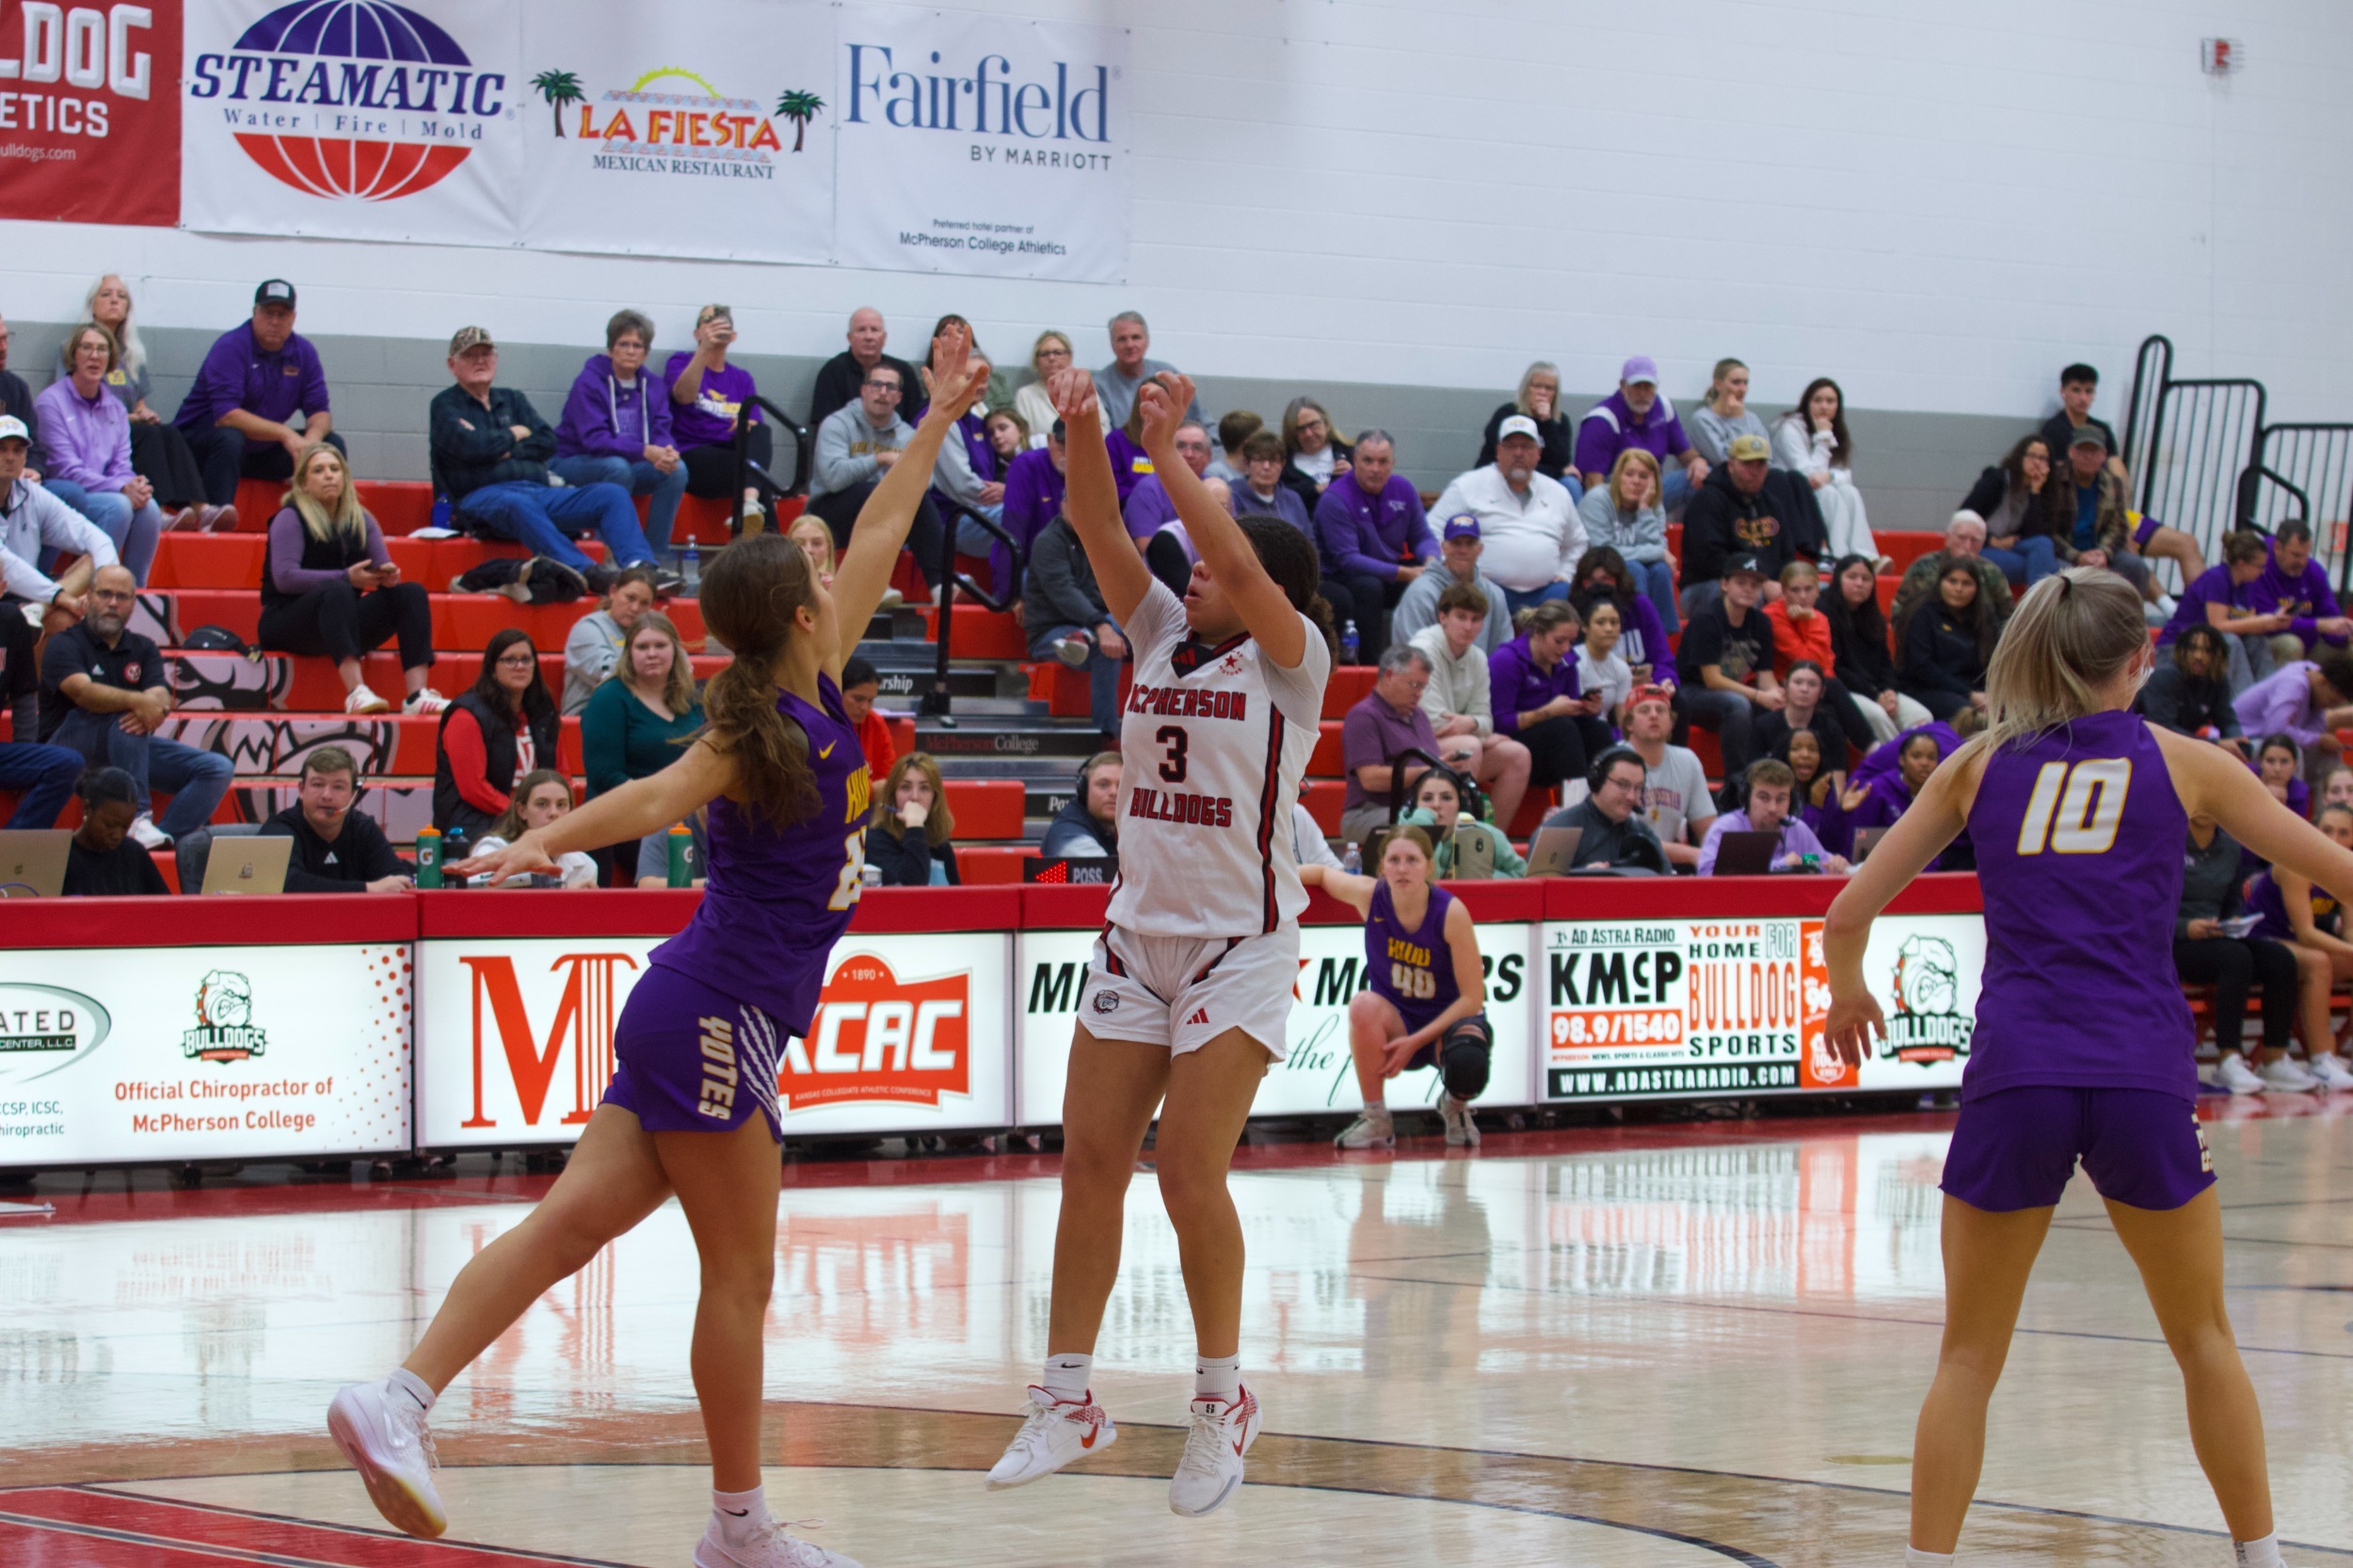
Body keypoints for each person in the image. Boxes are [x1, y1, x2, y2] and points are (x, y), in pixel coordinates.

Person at [334, 325, 988, 1568]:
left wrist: (941, 412)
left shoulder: (812, 676)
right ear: (799, 609)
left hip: (695, 999)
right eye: (815, 562)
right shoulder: (754, 726)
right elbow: (645, 804)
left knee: (570, 1224)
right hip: (719, 1010)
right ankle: (739, 1528)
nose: (834, 565)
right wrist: (530, 845)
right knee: (739, 1273)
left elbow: (889, 524)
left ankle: (399, 1399)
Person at [1821, 567, 2353, 1568]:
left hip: (2017, 1067)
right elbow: (2334, 871)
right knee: (2203, 1339)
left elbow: (1845, 913)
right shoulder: (2189, 764)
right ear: (2142, 659)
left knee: (1967, 1357)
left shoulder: (1976, 764)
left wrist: (1848, 991)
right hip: (2140, 1070)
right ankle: (2263, 1558)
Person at [980, 362, 1330, 1515]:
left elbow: (1229, 555)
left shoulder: (1291, 661)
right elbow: (1089, 518)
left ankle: (1222, 1398)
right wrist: (1087, 427)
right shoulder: (1163, 630)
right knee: (1088, 1160)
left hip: (1242, 938)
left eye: (1225, 565)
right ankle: (1068, 1395)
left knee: (1188, 1169)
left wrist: (1170, 449)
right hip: (1138, 933)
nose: (1195, 573)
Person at [431, 328, 660, 592]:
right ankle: (587, 572)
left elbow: (547, 442)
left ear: (495, 360)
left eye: (486, 354)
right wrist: (515, 433)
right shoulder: (444, 406)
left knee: (612, 494)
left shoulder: (513, 399)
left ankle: (640, 568)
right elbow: (471, 448)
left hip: (537, 492)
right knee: (517, 503)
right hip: (480, 499)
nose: (480, 361)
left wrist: (497, 446)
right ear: (452, 365)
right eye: (470, 356)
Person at [1318, 825, 1491, 1149]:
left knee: (1469, 1058)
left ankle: (1455, 1107)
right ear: (1381, 865)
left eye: (1412, 859)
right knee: (1362, 1005)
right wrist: (1265, 874)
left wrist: (1416, 1041)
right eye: (1394, 859)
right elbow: (1321, 875)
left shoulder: (1451, 911)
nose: (1402, 868)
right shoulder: (1371, 896)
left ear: (1429, 866)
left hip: (1446, 1024)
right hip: (1399, 1021)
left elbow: (1472, 998)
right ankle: (1376, 1119)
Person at [40, 564, 232, 850]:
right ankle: (139, 816)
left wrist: (147, 704)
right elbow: (84, 693)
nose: (113, 603)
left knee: (217, 768)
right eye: (105, 594)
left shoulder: (143, 647)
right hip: (67, 751)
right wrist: (137, 701)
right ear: (88, 597)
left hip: (124, 746)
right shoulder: (65, 643)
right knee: (121, 711)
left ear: (132, 603)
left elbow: (161, 698)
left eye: (122, 596)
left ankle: (162, 842)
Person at [261, 442, 444, 716]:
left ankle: (417, 696)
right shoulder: (290, 517)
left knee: (411, 593)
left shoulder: (362, 518)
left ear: (345, 478)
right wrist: (347, 577)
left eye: (335, 469)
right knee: (338, 589)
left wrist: (387, 575)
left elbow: (381, 564)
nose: (329, 475)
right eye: (319, 470)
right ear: (304, 483)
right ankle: (357, 692)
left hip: (339, 620)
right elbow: (285, 578)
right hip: (289, 622)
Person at [173, 280, 343, 508]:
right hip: (201, 448)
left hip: (258, 451)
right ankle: (214, 516)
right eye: (267, 313)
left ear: (293, 317)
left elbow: (320, 412)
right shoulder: (231, 346)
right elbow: (227, 415)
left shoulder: (304, 352)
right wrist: (285, 434)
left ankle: (328, 522)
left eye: (282, 314)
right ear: (254, 313)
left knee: (331, 444)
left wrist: (311, 442)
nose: (275, 321)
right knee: (230, 436)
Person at [2177, 810, 2303, 1096]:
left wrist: (2233, 920)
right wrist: (2185, 927)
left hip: (2218, 934)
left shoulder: (2230, 848)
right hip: (2176, 939)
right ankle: (2228, 1058)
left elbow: (2234, 901)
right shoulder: (2168, 842)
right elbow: (2150, 904)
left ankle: (2274, 1058)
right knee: (2235, 958)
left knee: (2280, 959)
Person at [80, 275, 218, 527]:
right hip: (97, 428)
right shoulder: (76, 347)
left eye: (121, 296)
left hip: (128, 426)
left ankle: (203, 509)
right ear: (92, 305)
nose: (114, 300)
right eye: (106, 294)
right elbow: (76, 398)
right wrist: (129, 418)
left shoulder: (132, 353)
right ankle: (159, 511)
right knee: (149, 435)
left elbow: (139, 403)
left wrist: (144, 413)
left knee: (167, 431)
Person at [552, 310, 688, 556]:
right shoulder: (589, 382)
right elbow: (594, 441)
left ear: (646, 353)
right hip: (574, 461)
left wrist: (666, 452)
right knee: (616, 467)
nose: (630, 350)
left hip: (630, 463)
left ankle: (654, 557)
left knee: (677, 470)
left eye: (637, 345)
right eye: (623, 344)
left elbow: (661, 427)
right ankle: (609, 556)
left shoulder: (654, 386)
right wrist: (645, 451)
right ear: (610, 349)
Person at [35, 323, 162, 583]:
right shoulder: (51, 402)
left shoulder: (115, 407)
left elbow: (121, 465)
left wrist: (132, 483)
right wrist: (120, 488)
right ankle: (95, 587)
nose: (95, 356)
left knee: (149, 508)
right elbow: (65, 470)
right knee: (119, 507)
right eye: (87, 348)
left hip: (107, 491)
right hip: (68, 494)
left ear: (111, 358)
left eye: (102, 349)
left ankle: (135, 591)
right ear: (73, 355)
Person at [2243, 803, 2353, 1093]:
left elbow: (2350, 928)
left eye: (2344, 832)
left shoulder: (2346, 867)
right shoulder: (2297, 864)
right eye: (2326, 830)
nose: (2334, 839)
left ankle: (2335, 1050)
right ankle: (2320, 1059)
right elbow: (2306, 934)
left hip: (2294, 944)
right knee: (2318, 962)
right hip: (2260, 940)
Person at [807, 360, 945, 588]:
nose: (883, 393)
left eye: (890, 387)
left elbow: (926, 482)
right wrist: (880, 459)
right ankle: (873, 583)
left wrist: (901, 470)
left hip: (883, 515)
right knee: (871, 491)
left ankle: (940, 585)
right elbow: (833, 478)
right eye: (876, 385)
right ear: (863, 390)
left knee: (918, 499)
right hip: (828, 513)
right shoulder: (837, 424)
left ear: (898, 397)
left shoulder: (907, 435)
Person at [1429, 416, 1585, 614]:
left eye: (1526, 446)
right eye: (1511, 446)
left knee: (1569, 596)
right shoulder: (1468, 486)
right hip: (1484, 590)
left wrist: (1566, 572)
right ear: (1498, 451)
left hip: (1547, 593)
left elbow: (1578, 542)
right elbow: (1431, 531)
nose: (1518, 453)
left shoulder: (1558, 492)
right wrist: (1456, 570)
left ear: (1538, 453)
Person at [1408, 582, 1531, 829]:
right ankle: (1460, 838)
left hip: (1457, 744)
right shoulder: (1423, 649)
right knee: (1471, 745)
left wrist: (1473, 723)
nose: (1468, 626)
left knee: (1518, 754)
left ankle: (1491, 841)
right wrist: (1481, 733)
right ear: (1443, 617)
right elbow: (1433, 721)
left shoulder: (1477, 657)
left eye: (1476, 619)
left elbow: (1485, 719)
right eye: (1461, 617)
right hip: (1414, 743)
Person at [1313, 428, 1434, 666]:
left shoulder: (1404, 489)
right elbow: (1348, 559)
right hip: (1340, 576)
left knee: (1432, 582)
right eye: (1368, 460)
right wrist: (1405, 573)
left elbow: (1422, 536)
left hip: (1389, 572)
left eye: (1383, 461)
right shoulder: (1335, 499)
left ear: (1393, 463)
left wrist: (1431, 560)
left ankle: (1425, 662)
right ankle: (1373, 665)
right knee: (1369, 588)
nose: (1375, 469)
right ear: (1355, 460)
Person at [1677, 433, 1823, 619]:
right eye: (1747, 464)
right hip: (1707, 587)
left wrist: (1787, 586)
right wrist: (1759, 583)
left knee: (1821, 594)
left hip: (1765, 583)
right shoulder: (1707, 501)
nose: (1755, 471)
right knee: (1747, 595)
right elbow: (1709, 559)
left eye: (1760, 465)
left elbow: (1786, 555)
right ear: (1731, 465)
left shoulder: (1772, 504)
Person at [433, 629, 562, 838]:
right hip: (476, 823)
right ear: (492, 668)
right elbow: (474, 789)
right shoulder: (466, 715)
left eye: (526, 659)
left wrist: (552, 811)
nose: (520, 666)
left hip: (534, 821)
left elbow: (559, 774)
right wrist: (523, 815)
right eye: (510, 660)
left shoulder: (543, 712)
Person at [2059, 425, 2203, 603]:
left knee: (2178, 546)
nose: (2089, 456)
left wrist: (2104, 552)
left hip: (2108, 530)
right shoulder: (2056, 472)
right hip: (2069, 548)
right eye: (2083, 451)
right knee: (2127, 543)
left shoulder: (2113, 483)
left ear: (2104, 455)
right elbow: (2047, 529)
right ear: (2071, 452)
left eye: (2094, 451)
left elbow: (2120, 513)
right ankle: (2169, 607)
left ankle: (2190, 615)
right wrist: (2078, 556)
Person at [0, 414, 118, 629]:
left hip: (27, 598)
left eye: (18, 450)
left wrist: (103, 590)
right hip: (9, 596)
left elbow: (97, 539)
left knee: (94, 563)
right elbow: (5, 565)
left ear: (26, 457)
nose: (10, 457)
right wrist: (60, 597)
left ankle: (39, 608)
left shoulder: (31, 493)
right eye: (2, 449)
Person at [664, 304, 776, 529]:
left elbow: (756, 429)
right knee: (756, 473)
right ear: (697, 333)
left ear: (733, 336)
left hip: (731, 454)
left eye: (722, 321)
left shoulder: (742, 377)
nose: (716, 325)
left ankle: (750, 504)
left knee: (762, 433)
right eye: (708, 320)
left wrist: (747, 423)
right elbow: (684, 397)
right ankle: (774, 549)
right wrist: (704, 349)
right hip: (693, 454)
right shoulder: (679, 362)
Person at [1675, 552, 1782, 777]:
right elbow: (1712, 680)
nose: (1748, 589)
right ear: (1724, 584)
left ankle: (1772, 776)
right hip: (1691, 693)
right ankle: (1738, 781)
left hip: (1731, 693)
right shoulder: (1707, 619)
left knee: (1785, 707)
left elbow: (1765, 676)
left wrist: (1777, 695)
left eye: (1755, 585)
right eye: (1741, 582)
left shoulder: (1761, 622)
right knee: (1739, 705)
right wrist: (1758, 696)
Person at [1024, 509, 1128, 739]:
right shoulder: (1048, 542)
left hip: (1089, 623)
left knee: (1134, 629)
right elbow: (1063, 591)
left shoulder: (1097, 541)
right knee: (1107, 647)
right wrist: (1101, 625)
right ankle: (1105, 735)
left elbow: (1105, 592)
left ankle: (1085, 636)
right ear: (1063, 505)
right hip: (1049, 632)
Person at [584, 613, 703, 805]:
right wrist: (656, 801)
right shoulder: (608, 697)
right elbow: (604, 775)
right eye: (642, 647)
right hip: (623, 814)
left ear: (675, 650)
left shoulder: (692, 697)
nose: (652, 654)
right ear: (629, 653)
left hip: (681, 811)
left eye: (660, 645)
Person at [1490, 600, 1607, 796]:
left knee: (1597, 729)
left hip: (1557, 747)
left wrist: (1585, 709)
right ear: (1537, 633)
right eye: (1559, 641)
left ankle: (1609, 800)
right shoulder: (1506, 661)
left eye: (1571, 642)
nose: (1566, 649)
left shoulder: (1566, 662)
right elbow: (1498, 723)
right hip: (1513, 749)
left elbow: (1569, 714)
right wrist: (1549, 712)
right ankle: (1577, 808)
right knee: (1561, 728)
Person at [260, 745, 410, 893]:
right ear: (301, 790)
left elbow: (398, 878)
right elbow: (286, 883)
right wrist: (367, 889)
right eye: (318, 784)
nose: (326, 795)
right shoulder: (279, 829)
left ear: (353, 795)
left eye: (338, 787)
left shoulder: (364, 828)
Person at [1823, 552, 1934, 743]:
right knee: (1878, 716)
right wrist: (1876, 695)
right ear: (1838, 579)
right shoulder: (1824, 612)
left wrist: (1890, 690)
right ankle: (1895, 766)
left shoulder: (1874, 617)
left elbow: (1886, 663)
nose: (1859, 583)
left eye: (1866, 579)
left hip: (1879, 690)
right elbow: (1836, 668)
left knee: (1922, 716)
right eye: (1852, 577)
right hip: (1843, 690)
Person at [0, 569, 81, 828]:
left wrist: (25, 749)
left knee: (68, 764)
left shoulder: (12, 621)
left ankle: (13, 850)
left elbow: (24, 694)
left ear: (2, 588)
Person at [1340, 645, 1446, 843]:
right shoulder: (1363, 716)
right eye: (1414, 685)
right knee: (1423, 824)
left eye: (1423, 687)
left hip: (1416, 808)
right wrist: (1429, 770)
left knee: (1468, 825)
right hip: (1367, 813)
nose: (1419, 693)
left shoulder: (1420, 716)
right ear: (1389, 675)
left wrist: (1445, 769)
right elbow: (1370, 779)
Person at [1770, 377, 1880, 567]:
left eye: (1830, 401)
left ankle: (1866, 556)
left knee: (1849, 492)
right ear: (1807, 403)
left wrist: (1830, 476)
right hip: (1791, 497)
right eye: (1818, 400)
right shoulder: (1789, 428)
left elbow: (1845, 475)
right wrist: (1823, 439)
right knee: (1828, 493)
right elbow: (1807, 476)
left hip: (1817, 489)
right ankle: (1838, 557)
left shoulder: (1835, 429)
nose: (1824, 406)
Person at [2160, 530, 2284, 693]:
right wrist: (2261, 621)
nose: (2263, 572)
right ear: (2241, 564)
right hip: (2178, 645)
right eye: (2259, 566)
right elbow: (2217, 626)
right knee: (2230, 642)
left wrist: (2273, 622)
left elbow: (2248, 624)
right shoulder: (2217, 579)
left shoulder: (2249, 584)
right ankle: (2242, 703)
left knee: (2255, 640)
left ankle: (2269, 695)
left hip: (2209, 643)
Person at [1575, 356, 1704, 510]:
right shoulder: (1602, 419)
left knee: (1703, 475)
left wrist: (1697, 461)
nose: (1643, 393)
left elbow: (1684, 452)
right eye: (1637, 386)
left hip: (1652, 488)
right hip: (1616, 494)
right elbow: (1593, 483)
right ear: (1623, 386)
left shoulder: (1664, 407)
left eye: (1648, 387)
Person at [1827, 724, 1962, 866]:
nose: (1924, 763)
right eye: (1916, 756)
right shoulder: (1878, 790)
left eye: (1931, 757)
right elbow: (1854, 844)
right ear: (1902, 760)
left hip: (1923, 874)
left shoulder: (1939, 796)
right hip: (1873, 869)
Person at [1576, 448, 1675, 632]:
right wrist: (1659, 552)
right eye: (1629, 474)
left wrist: (1644, 508)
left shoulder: (1653, 504)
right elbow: (1603, 552)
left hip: (1633, 566)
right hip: (1595, 570)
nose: (1636, 481)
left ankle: (1663, 636)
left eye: (1643, 476)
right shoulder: (1597, 499)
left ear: (1653, 481)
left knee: (1661, 571)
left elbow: (1657, 545)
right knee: (1634, 568)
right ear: (1617, 476)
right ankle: (1634, 631)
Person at [1621, 683, 1717, 868]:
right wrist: (1692, 854)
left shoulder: (1687, 760)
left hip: (1667, 866)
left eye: (1660, 710)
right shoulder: (1616, 762)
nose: (1654, 715)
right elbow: (1624, 839)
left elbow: (1708, 830)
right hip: (1624, 865)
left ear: (1672, 723)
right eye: (1644, 710)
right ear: (1629, 724)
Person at [1888, 512, 2018, 646]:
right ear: (1948, 538)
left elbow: (2007, 617)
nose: (1968, 546)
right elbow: (1900, 611)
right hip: (1927, 644)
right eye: (1962, 538)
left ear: (1982, 543)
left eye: (1975, 540)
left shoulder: (1992, 572)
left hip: (1979, 648)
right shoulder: (1923, 567)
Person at [1390, 515, 1512, 658]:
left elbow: (1504, 652)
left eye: (1470, 543)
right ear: (1443, 548)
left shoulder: (1494, 594)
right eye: (1456, 543)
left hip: (1480, 676)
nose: (1463, 550)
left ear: (1480, 549)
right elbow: (1411, 655)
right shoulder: (1421, 592)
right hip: (1430, 676)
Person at [1698, 759, 1845, 873]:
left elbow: (1823, 863)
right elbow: (1706, 875)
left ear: (1791, 801)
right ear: (1746, 798)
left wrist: (1836, 865)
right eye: (1764, 798)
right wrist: (1779, 867)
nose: (1773, 808)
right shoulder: (1725, 828)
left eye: (1781, 799)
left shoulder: (1797, 828)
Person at [1535, 747, 1668, 872]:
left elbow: (1668, 885)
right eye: (1623, 785)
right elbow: (1540, 891)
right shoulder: (1558, 831)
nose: (1631, 796)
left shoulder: (1642, 835)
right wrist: (1581, 878)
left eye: (1638, 788)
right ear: (1597, 781)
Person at [1959, 434, 2064, 587]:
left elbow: (2036, 535)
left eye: (2043, 459)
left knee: (2043, 544)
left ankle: (2037, 606)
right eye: (2032, 456)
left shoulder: (2046, 491)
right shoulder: (1997, 480)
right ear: (2020, 457)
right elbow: (1963, 518)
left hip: (2015, 548)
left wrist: (2035, 492)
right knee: (2045, 567)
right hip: (1981, 547)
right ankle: (2039, 608)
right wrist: (1993, 541)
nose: (2036, 462)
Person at [1900, 561, 1996, 724]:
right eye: (1952, 581)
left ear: (1976, 588)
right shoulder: (1924, 615)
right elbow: (1921, 667)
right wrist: (1969, 695)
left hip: (1973, 690)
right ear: (1940, 583)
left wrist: (1990, 695)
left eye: (1966, 583)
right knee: (1968, 714)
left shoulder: (1984, 619)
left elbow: (1991, 665)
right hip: (1929, 690)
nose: (1958, 589)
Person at [2231, 653, 2353, 781]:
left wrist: (2321, 740)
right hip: (2242, 741)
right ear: (2323, 682)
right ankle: (2291, 800)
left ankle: (2332, 801)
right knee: (2289, 753)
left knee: (2328, 756)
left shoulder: (2315, 677)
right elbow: (2275, 732)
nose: (2329, 706)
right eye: (2331, 701)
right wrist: (2318, 740)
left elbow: (2314, 722)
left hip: (2265, 743)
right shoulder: (2293, 685)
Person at [472, 770, 600, 889]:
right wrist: (563, 893)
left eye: (561, 804)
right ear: (522, 811)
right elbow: (478, 902)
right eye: (542, 804)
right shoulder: (492, 849)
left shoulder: (586, 865)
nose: (554, 813)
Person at [2247, 518, 2351, 657]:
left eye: (2306, 555)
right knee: (2291, 645)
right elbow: (2270, 622)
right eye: (2296, 555)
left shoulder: (2314, 571)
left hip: (2309, 642)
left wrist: (2344, 634)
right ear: (2278, 548)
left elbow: (2330, 615)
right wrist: (2318, 625)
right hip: (2266, 641)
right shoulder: (2258, 568)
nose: (2302, 562)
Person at [808, 307, 920, 434]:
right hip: (848, 446)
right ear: (849, 338)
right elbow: (826, 427)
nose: (869, 336)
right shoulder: (833, 371)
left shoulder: (903, 372)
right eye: (861, 330)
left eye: (874, 330)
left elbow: (915, 422)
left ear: (884, 337)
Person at [562, 568, 659, 715]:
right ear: (613, 592)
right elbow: (610, 677)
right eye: (630, 598)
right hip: (588, 716)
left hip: (636, 714)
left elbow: (682, 668)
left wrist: (661, 635)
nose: (635, 608)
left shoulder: (650, 632)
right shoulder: (587, 629)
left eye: (644, 603)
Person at [59, 765, 167, 896]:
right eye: (110, 825)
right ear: (87, 808)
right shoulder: (61, 857)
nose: (117, 835)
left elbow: (166, 909)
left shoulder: (134, 852)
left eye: (126, 826)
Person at [1398, 767, 1524, 877]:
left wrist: (1485, 879)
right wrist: (1422, 825)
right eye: (1427, 798)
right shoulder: (1397, 839)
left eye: (1446, 797)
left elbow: (1521, 873)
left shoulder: (1486, 834)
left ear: (1460, 804)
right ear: (1415, 806)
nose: (1436, 805)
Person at [1567, 547, 1672, 680]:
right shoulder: (1573, 613)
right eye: (1591, 581)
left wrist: (1663, 682)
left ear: (1619, 580)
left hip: (1642, 691)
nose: (1599, 586)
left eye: (1605, 579)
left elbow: (1662, 660)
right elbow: (1565, 669)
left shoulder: (1640, 605)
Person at [2138, 624, 2246, 751]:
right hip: (2145, 746)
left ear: (2219, 656)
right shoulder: (2165, 676)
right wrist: (2215, 744)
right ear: (2180, 651)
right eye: (2192, 649)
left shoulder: (2217, 680)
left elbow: (2227, 719)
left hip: (2183, 747)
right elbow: (2163, 730)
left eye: (2208, 651)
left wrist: (2237, 740)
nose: (2198, 656)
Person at [1092, 311, 1204, 429]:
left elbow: (1199, 420)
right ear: (1112, 344)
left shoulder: (1167, 374)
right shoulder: (1100, 386)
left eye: (1136, 337)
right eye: (1122, 339)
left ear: (1147, 341)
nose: (1130, 345)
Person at [863, 751, 960, 888]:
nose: (915, 797)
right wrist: (915, 826)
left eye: (924, 788)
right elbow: (912, 893)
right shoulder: (875, 841)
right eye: (905, 787)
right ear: (892, 796)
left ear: (935, 797)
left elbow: (956, 901)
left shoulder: (940, 846)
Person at [1473, 361, 1574, 480]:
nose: (1542, 393)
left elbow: (1562, 460)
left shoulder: (1560, 421)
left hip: (1541, 480)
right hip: (1498, 475)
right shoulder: (1506, 414)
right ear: (1526, 388)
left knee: (1571, 483)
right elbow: (1506, 461)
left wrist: (1547, 422)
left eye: (1549, 388)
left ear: (1555, 394)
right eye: (1537, 386)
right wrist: (1557, 472)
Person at [1123, 419, 1216, 541]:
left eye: (1197, 447)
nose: (1189, 454)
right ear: (1167, 451)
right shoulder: (1148, 490)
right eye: (1181, 446)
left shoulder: (1215, 488)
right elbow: (1147, 548)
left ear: (1208, 456)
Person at [1755, 661, 1851, 775]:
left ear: (1822, 691)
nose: (1804, 689)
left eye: (1812, 684)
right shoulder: (1763, 725)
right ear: (1785, 686)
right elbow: (1754, 774)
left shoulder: (1832, 729)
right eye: (1798, 682)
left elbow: (1838, 783)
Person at [2039, 362, 2125, 486]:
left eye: (2089, 391)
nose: (2083, 398)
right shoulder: (2053, 430)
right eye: (2076, 390)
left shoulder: (2102, 429)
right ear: (2063, 392)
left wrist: (2119, 496)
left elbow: (2118, 474)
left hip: (2099, 494)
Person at [1686, 358, 1769, 467]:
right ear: (1718, 385)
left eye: (1746, 383)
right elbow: (1725, 460)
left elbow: (1767, 457)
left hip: (1754, 476)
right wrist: (1737, 421)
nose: (1743, 389)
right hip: (1720, 479)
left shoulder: (1752, 419)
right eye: (1736, 382)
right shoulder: (1703, 419)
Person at [1040, 752, 1121, 861]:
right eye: (1103, 784)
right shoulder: (1068, 834)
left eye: (1122, 785)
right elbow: (1110, 875)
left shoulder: (1114, 830)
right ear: (1084, 790)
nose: (1113, 792)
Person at [1573, 596, 1635, 730]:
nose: (1609, 629)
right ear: (1584, 626)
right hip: (1579, 729)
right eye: (1600, 622)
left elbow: (1623, 720)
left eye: (1614, 622)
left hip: (1604, 732)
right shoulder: (1574, 662)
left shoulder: (1622, 668)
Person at [1775, 726, 1841, 838]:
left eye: (1813, 749)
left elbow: (1830, 841)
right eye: (1796, 749)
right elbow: (1793, 841)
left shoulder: (1824, 788)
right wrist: (1814, 807)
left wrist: (1846, 813)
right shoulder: (1773, 793)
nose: (1805, 755)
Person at [1012, 330, 1073, 449]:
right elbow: (1024, 438)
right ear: (1036, 360)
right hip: (1043, 459)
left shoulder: (1084, 391)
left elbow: (1103, 429)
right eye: (1045, 354)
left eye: (1058, 353)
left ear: (1069, 357)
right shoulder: (1025, 395)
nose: (1051, 358)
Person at [840, 655, 895, 786]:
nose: (865, 707)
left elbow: (887, 781)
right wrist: (871, 789)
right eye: (858, 699)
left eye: (870, 700)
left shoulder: (876, 723)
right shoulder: (821, 724)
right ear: (838, 692)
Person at [2249, 734, 2310, 822]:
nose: (2277, 768)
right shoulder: (2246, 776)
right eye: (2270, 761)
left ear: (2295, 765)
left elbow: (2295, 832)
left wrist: (2282, 807)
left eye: (2284, 762)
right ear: (2260, 762)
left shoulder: (2300, 794)